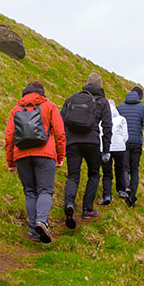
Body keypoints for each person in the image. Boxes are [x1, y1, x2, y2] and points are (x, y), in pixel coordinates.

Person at [4, 80, 65, 243]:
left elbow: (9, 137)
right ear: (42, 93)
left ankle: (33, 231)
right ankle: (41, 221)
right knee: (45, 190)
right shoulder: (49, 106)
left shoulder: (16, 109)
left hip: (21, 155)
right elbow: (60, 134)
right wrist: (60, 158)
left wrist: (10, 162)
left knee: (30, 191)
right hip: (45, 154)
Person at [60, 72, 112, 228]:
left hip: (73, 143)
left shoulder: (72, 99)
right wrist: (106, 150)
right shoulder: (103, 102)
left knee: (73, 176)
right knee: (94, 174)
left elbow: (61, 121)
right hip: (92, 143)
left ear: (87, 83)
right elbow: (107, 127)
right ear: (101, 85)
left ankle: (69, 204)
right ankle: (87, 209)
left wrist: (65, 142)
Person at [116, 85, 144, 207]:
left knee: (125, 167)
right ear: (140, 97)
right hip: (137, 142)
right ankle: (131, 198)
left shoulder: (119, 107)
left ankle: (126, 187)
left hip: (123, 141)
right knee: (135, 169)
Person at [99, 97, 128, 204]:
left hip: (105, 147)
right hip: (120, 147)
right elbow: (126, 135)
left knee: (107, 172)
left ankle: (107, 195)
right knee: (120, 169)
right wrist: (121, 143)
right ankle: (121, 190)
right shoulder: (121, 119)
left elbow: (99, 133)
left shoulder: (101, 118)